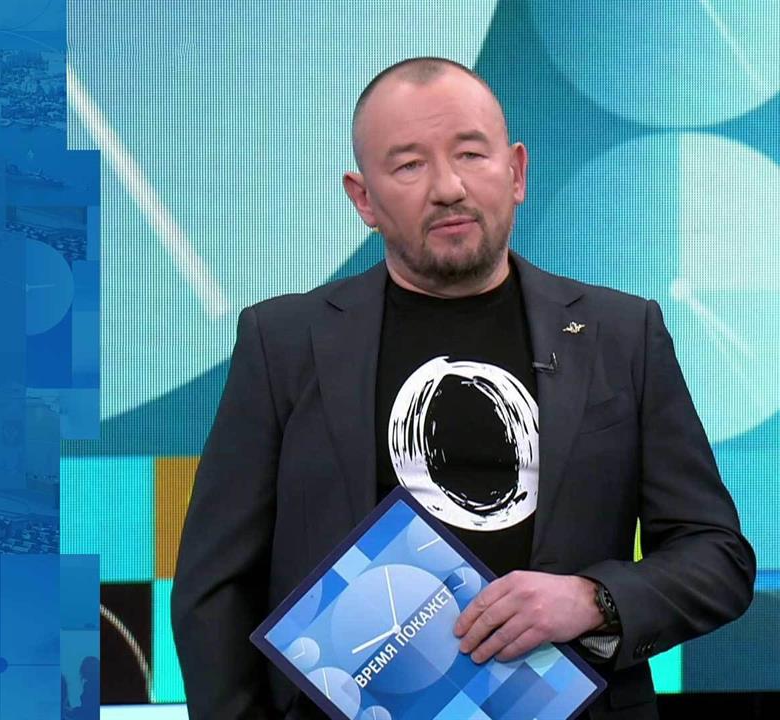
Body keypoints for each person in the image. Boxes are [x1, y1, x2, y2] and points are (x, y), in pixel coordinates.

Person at [170, 57, 755, 719]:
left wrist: (594, 600)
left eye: (471, 154)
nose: (447, 187)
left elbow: (718, 559)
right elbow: (214, 586)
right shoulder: (284, 342)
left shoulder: (621, 334)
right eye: (408, 165)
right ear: (363, 199)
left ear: (517, 172)